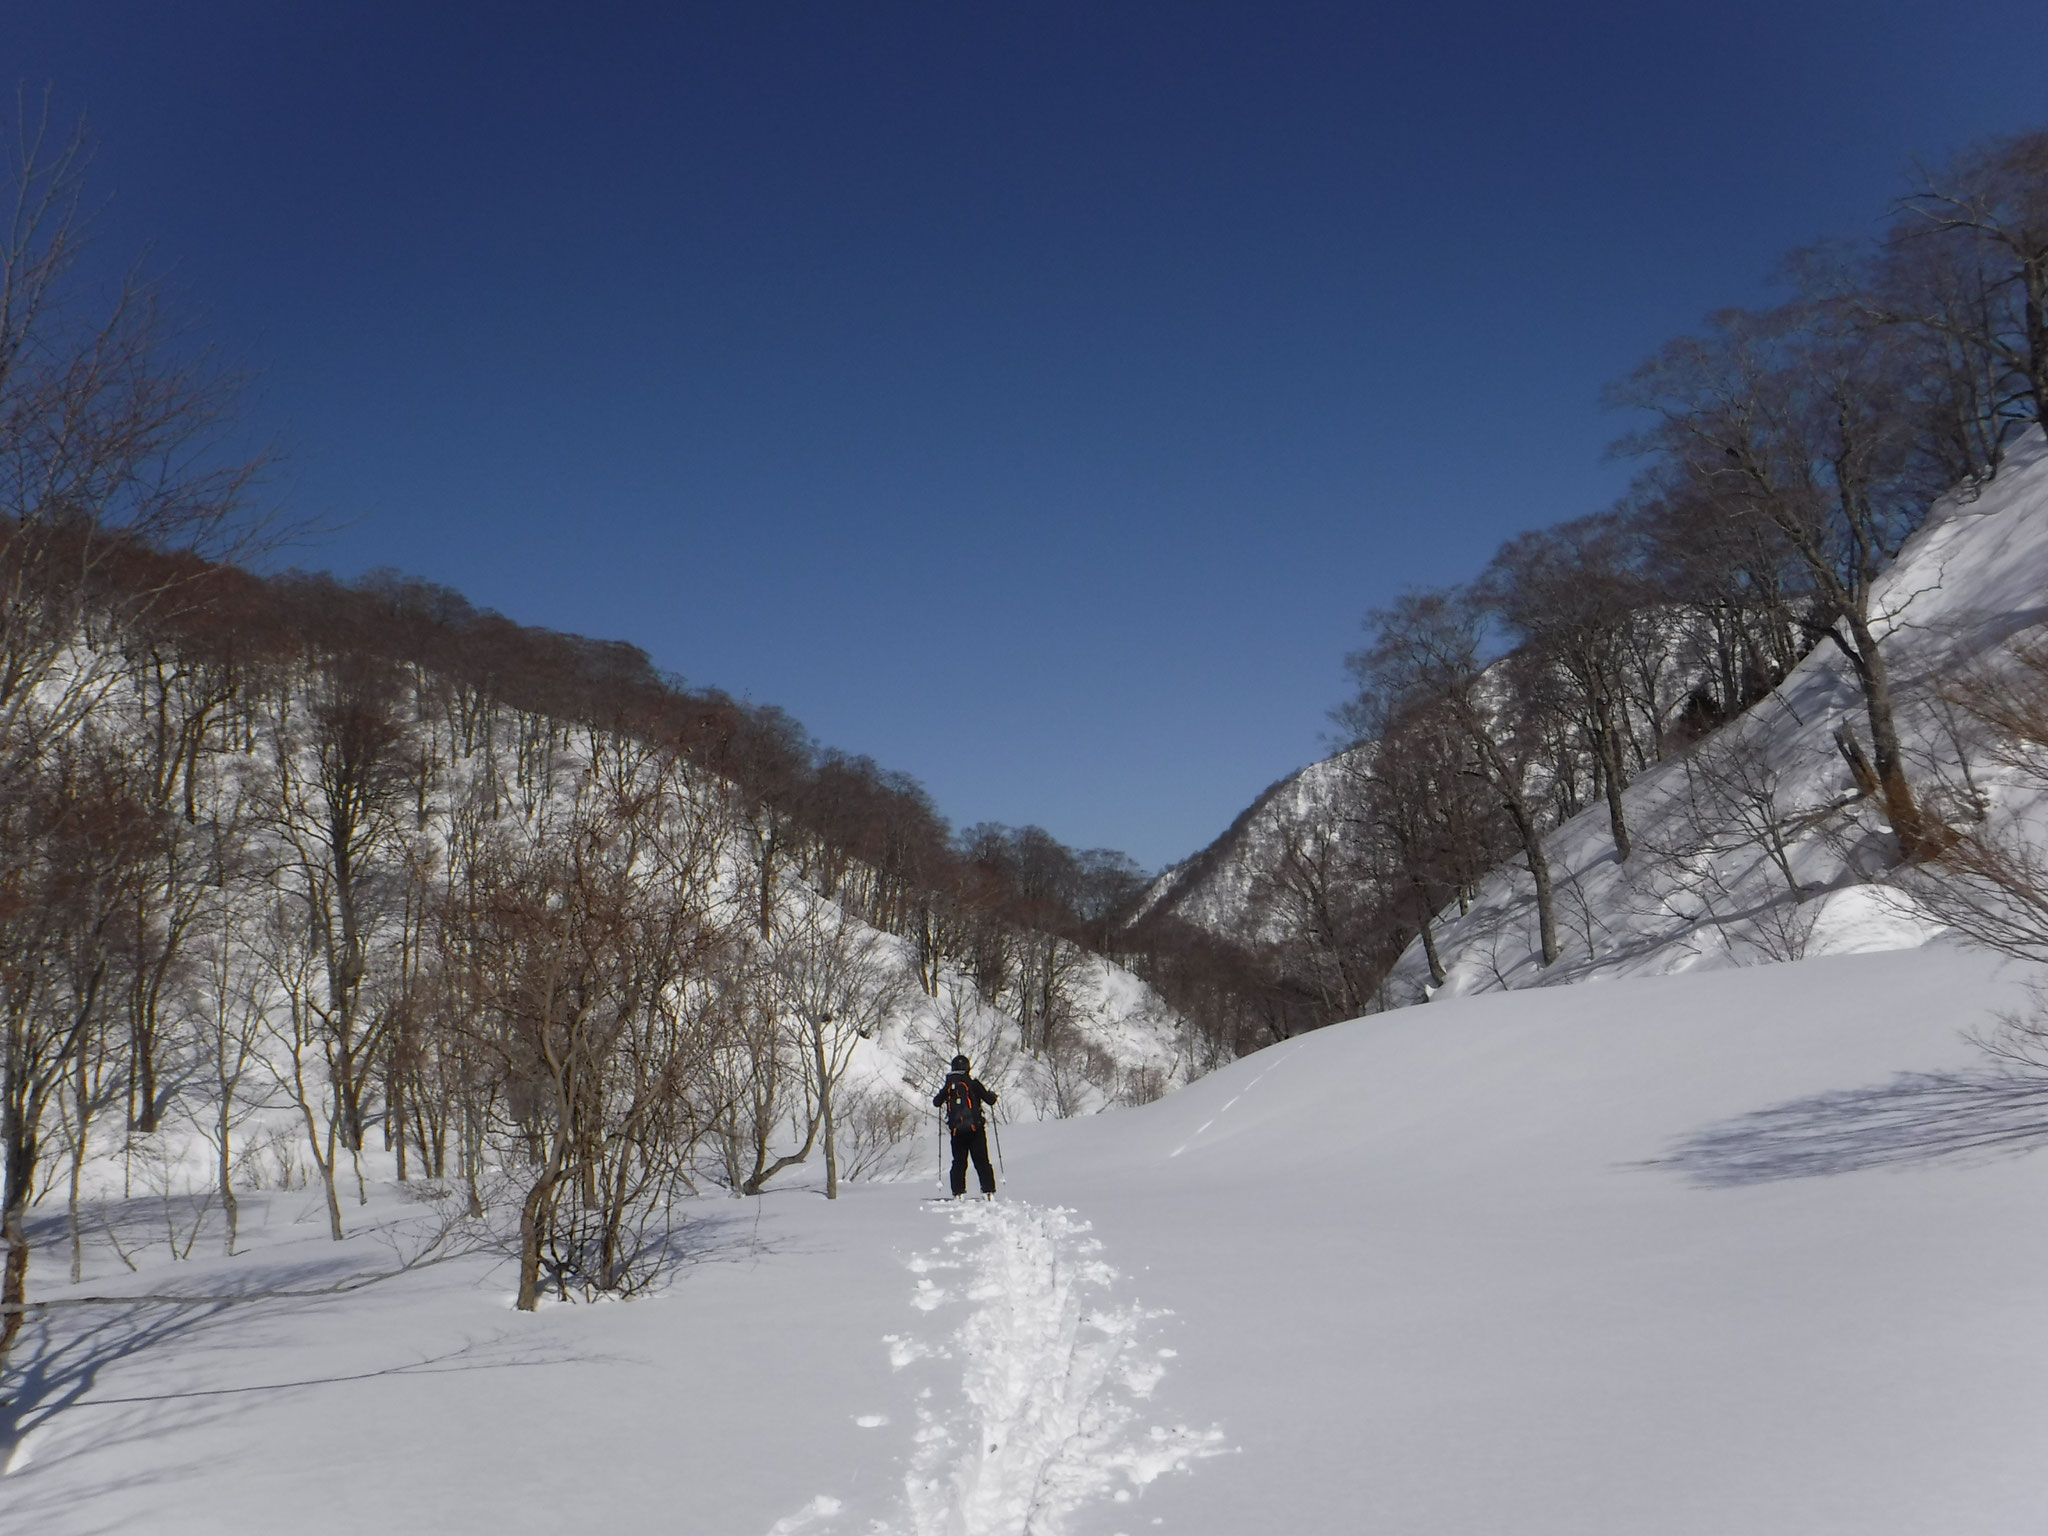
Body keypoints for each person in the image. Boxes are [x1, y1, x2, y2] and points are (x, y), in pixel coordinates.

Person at [932, 1054, 998, 1199]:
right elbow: (990, 1100)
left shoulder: (950, 1086)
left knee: (959, 1162)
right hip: (976, 1130)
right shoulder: (973, 1084)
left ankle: (958, 1192)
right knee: (981, 1160)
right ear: (967, 1068)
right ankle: (988, 1191)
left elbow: (936, 1102)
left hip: (957, 1131)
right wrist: (992, 1095)